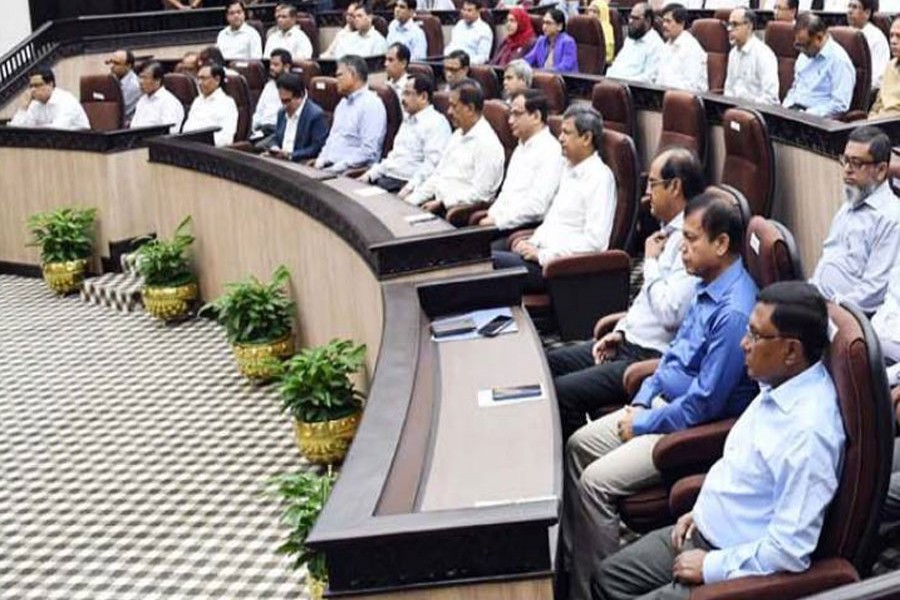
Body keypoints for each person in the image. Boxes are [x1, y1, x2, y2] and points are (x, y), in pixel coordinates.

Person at [561, 192, 759, 600]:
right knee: (577, 445)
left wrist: (645, 421)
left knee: (595, 484)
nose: (680, 248)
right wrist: (641, 398)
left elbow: (705, 403)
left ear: (721, 244)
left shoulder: (735, 310)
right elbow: (670, 357)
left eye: (690, 239)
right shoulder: (706, 285)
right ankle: (576, 564)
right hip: (657, 406)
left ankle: (593, 586)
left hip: (688, 426)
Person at [593, 282, 843, 600]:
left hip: (731, 564)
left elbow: (789, 552)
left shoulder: (809, 433)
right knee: (607, 578)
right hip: (702, 529)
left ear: (792, 351)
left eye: (755, 335)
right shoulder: (777, 386)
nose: (743, 343)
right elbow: (739, 469)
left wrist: (712, 566)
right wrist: (700, 511)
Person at [547, 147, 704, 441]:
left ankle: (580, 457)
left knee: (561, 393)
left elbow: (671, 313)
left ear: (675, 187)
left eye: (653, 184)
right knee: (547, 364)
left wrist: (653, 263)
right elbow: (645, 300)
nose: (646, 194)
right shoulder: (663, 232)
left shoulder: (690, 240)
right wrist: (620, 330)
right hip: (628, 341)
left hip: (649, 355)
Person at [491, 105, 616, 293]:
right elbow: (553, 223)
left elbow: (596, 243)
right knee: (480, 263)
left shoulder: (599, 178)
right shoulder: (568, 169)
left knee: (487, 264)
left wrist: (543, 255)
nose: (560, 138)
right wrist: (533, 242)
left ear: (586, 138)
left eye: (567, 133)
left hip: (559, 270)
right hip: (540, 257)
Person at [810, 125, 900, 314]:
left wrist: (829, 309)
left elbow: (873, 293)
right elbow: (829, 255)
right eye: (845, 160)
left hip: (845, 316)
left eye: (856, 163)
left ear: (881, 170)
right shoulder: (851, 203)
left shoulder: (891, 218)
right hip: (819, 300)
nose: (847, 170)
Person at [405, 79, 505, 212]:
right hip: (435, 203)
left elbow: (481, 194)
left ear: (470, 109)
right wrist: (410, 201)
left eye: (454, 106)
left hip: (456, 214)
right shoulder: (458, 134)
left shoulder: (487, 144)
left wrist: (442, 203)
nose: (449, 111)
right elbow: (438, 175)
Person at [479, 90, 563, 235]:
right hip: (500, 223)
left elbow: (537, 207)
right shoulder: (521, 146)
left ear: (536, 116)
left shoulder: (550, 151)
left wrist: (498, 221)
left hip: (523, 228)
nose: (510, 120)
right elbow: (506, 194)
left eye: (517, 114)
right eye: (510, 114)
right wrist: (491, 215)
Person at [360, 73, 452, 195]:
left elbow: (431, 166)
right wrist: (370, 175)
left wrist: (409, 189)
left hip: (405, 184)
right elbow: (394, 157)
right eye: (403, 93)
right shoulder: (407, 120)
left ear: (423, 97)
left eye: (408, 93)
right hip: (387, 179)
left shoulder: (436, 123)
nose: (402, 99)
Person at [314, 55, 387, 174]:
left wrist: (338, 167)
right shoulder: (342, 103)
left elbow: (369, 151)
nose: (336, 80)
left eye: (339, 75)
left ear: (353, 75)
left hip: (351, 172)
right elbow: (332, 139)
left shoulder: (371, 104)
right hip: (329, 168)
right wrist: (320, 160)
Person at [782, 12, 855, 118]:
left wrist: (806, 115)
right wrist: (785, 108)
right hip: (795, 112)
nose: (802, 51)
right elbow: (796, 88)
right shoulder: (804, 55)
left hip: (818, 119)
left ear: (819, 37)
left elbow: (840, 105)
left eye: (805, 46)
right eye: (798, 45)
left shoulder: (839, 60)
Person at [266, 73, 329, 162]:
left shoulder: (315, 115)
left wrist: (290, 155)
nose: (284, 106)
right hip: (280, 161)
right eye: (281, 100)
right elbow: (276, 138)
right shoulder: (281, 113)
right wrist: (274, 148)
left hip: (299, 163)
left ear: (300, 96)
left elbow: (316, 148)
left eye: (287, 101)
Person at [723, 8, 779, 104]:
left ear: (749, 26)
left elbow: (770, 98)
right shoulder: (733, 53)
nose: (729, 29)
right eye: (729, 25)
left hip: (758, 111)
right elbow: (728, 89)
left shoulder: (763, 54)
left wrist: (746, 106)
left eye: (735, 25)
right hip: (735, 109)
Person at [10, 67, 90, 130]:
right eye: (31, 86)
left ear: (50, 84)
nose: (33, 90)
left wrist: (33, 129)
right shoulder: (35, 104)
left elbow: (57, 130)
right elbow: (15, 130)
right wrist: (24, 107)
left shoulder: (66, 101)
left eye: (37, 85)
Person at [654, 3, 708, 92]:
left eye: (668, 21)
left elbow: (692, 86)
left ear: (682, 23)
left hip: (686, 99)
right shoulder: (666, 46)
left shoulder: (691, 47)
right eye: (663, 21)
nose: (664, 25)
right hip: (665, 96)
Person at [183, 64, 239, 147]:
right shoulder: (197, 101)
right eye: (198, 79)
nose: (199, 83)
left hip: (210, 150)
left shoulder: (227, 103)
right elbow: (186, 129)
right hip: (189, 146)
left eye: (203, 79)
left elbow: (226, 138)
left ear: (217, 79)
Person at [606, 3, 664, 83]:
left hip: (633, 90)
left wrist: (622, 82)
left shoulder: (656, 45)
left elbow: (649, 78)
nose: (630, 21)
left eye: (635, 18)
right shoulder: (630, 39)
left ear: (648, 20)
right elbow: (616, 65)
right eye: (630, 17)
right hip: (614, 85)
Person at [130, 62, 185, 134]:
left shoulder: (169, 102)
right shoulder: (142, 100)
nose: (141, 82)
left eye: (145, 78)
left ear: (158, 81)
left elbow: (171, 132)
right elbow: (133, 127)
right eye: (140, 77)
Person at [847, 0, 890, 90]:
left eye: (855, 7)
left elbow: (878, 78)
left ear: (867, 13)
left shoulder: (876, 38)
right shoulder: (845, 33)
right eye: (849, 6)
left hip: (864, 93)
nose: (849, 11)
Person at [252, 48, 292, 141]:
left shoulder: (294, 87)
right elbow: (259, 112)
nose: (271, 68)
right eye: (271, 64)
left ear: (286, 67)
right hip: (261, 129)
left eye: (276, 65)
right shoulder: (269, 86)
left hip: (278, 131)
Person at [524, 9, 579, 73]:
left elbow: (565, 67)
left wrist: (542, 72)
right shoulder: (541, 40)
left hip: (565, 80)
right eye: (543, 22)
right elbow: (528, 59)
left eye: (548, 23)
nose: (544, 26)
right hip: (544, 78)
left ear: (559, 26)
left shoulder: (568, 42)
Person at [444, 0, 494, 65]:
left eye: (469, 10)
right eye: (464, 10)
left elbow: (483, 58)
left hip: (468, 67)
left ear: (478, 11)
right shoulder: (459, 24)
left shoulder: (484, 30)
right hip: (449, 62)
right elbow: (452, 45)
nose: (465, 13)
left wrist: (463, 63)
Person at [870, 16, 900, 117]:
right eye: (891, 35)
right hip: (879, 123)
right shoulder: (890, 65)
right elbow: (877, 105)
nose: (893, 41)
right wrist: (870, 120)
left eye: (899, 36)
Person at [106, 49, 141, 121]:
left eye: (116, 63)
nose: (112, 66)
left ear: (128, 66)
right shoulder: (112, 80)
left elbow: (119, 111)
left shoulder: (134, 86)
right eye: (111, 62)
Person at [587, 0, 616, 64]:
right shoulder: (585, 26)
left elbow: (608, 55)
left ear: (603, 13)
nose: (591, 14)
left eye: (595, 12)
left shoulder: (607, 29)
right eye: (589, 11)